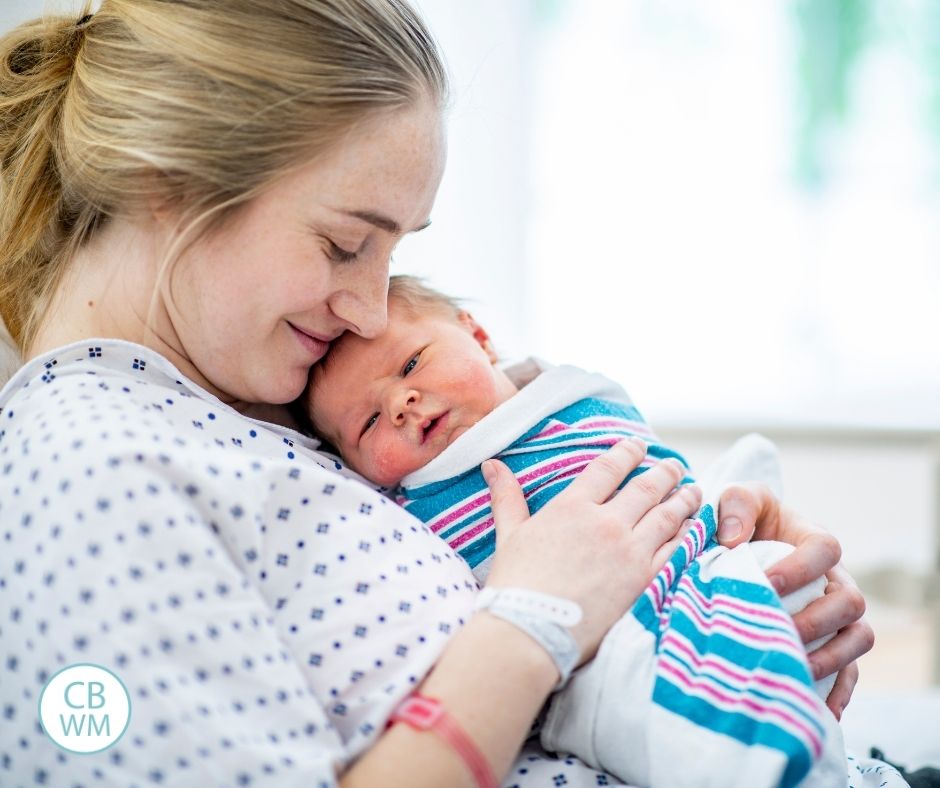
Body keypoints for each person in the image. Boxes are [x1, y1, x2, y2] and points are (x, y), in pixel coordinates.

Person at [0, 2, 874, 786]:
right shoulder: (92, 476)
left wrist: (710, 560)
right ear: (170, 176)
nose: (371, 308)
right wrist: (533, 621)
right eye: (346, 245)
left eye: (395, 251)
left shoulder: (240, 405)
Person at [304, 275, 900, 786]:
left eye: (411, 364)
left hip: (700, 553)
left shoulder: (565, 395)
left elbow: (656, 466)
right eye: (370, 422)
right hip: (618, 634)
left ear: (478, 335)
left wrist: (728, 515)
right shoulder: (407, 506)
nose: (402, 402)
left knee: (770, 564)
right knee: (679, 700)